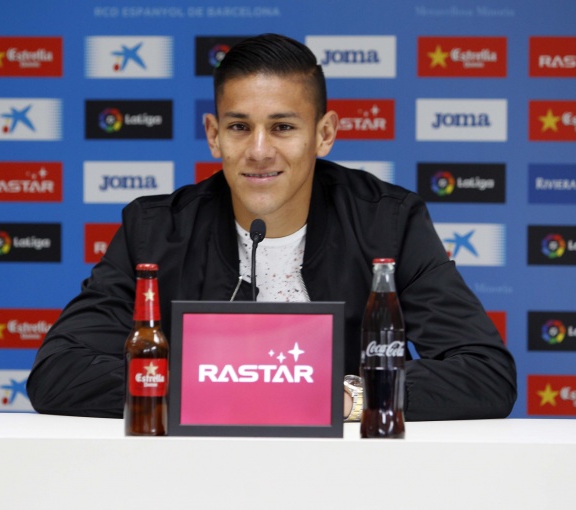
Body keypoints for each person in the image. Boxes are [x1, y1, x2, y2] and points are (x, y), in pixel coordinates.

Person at [27, 33, 517, 421]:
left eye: (283, 127)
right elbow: (59, 371)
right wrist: (222, 392)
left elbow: (485, 373)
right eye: (239, 127)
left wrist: (342, 398)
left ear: (324, 134)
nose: (259, 151)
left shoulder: (387, 221)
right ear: (214, 135)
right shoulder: (154, 228)